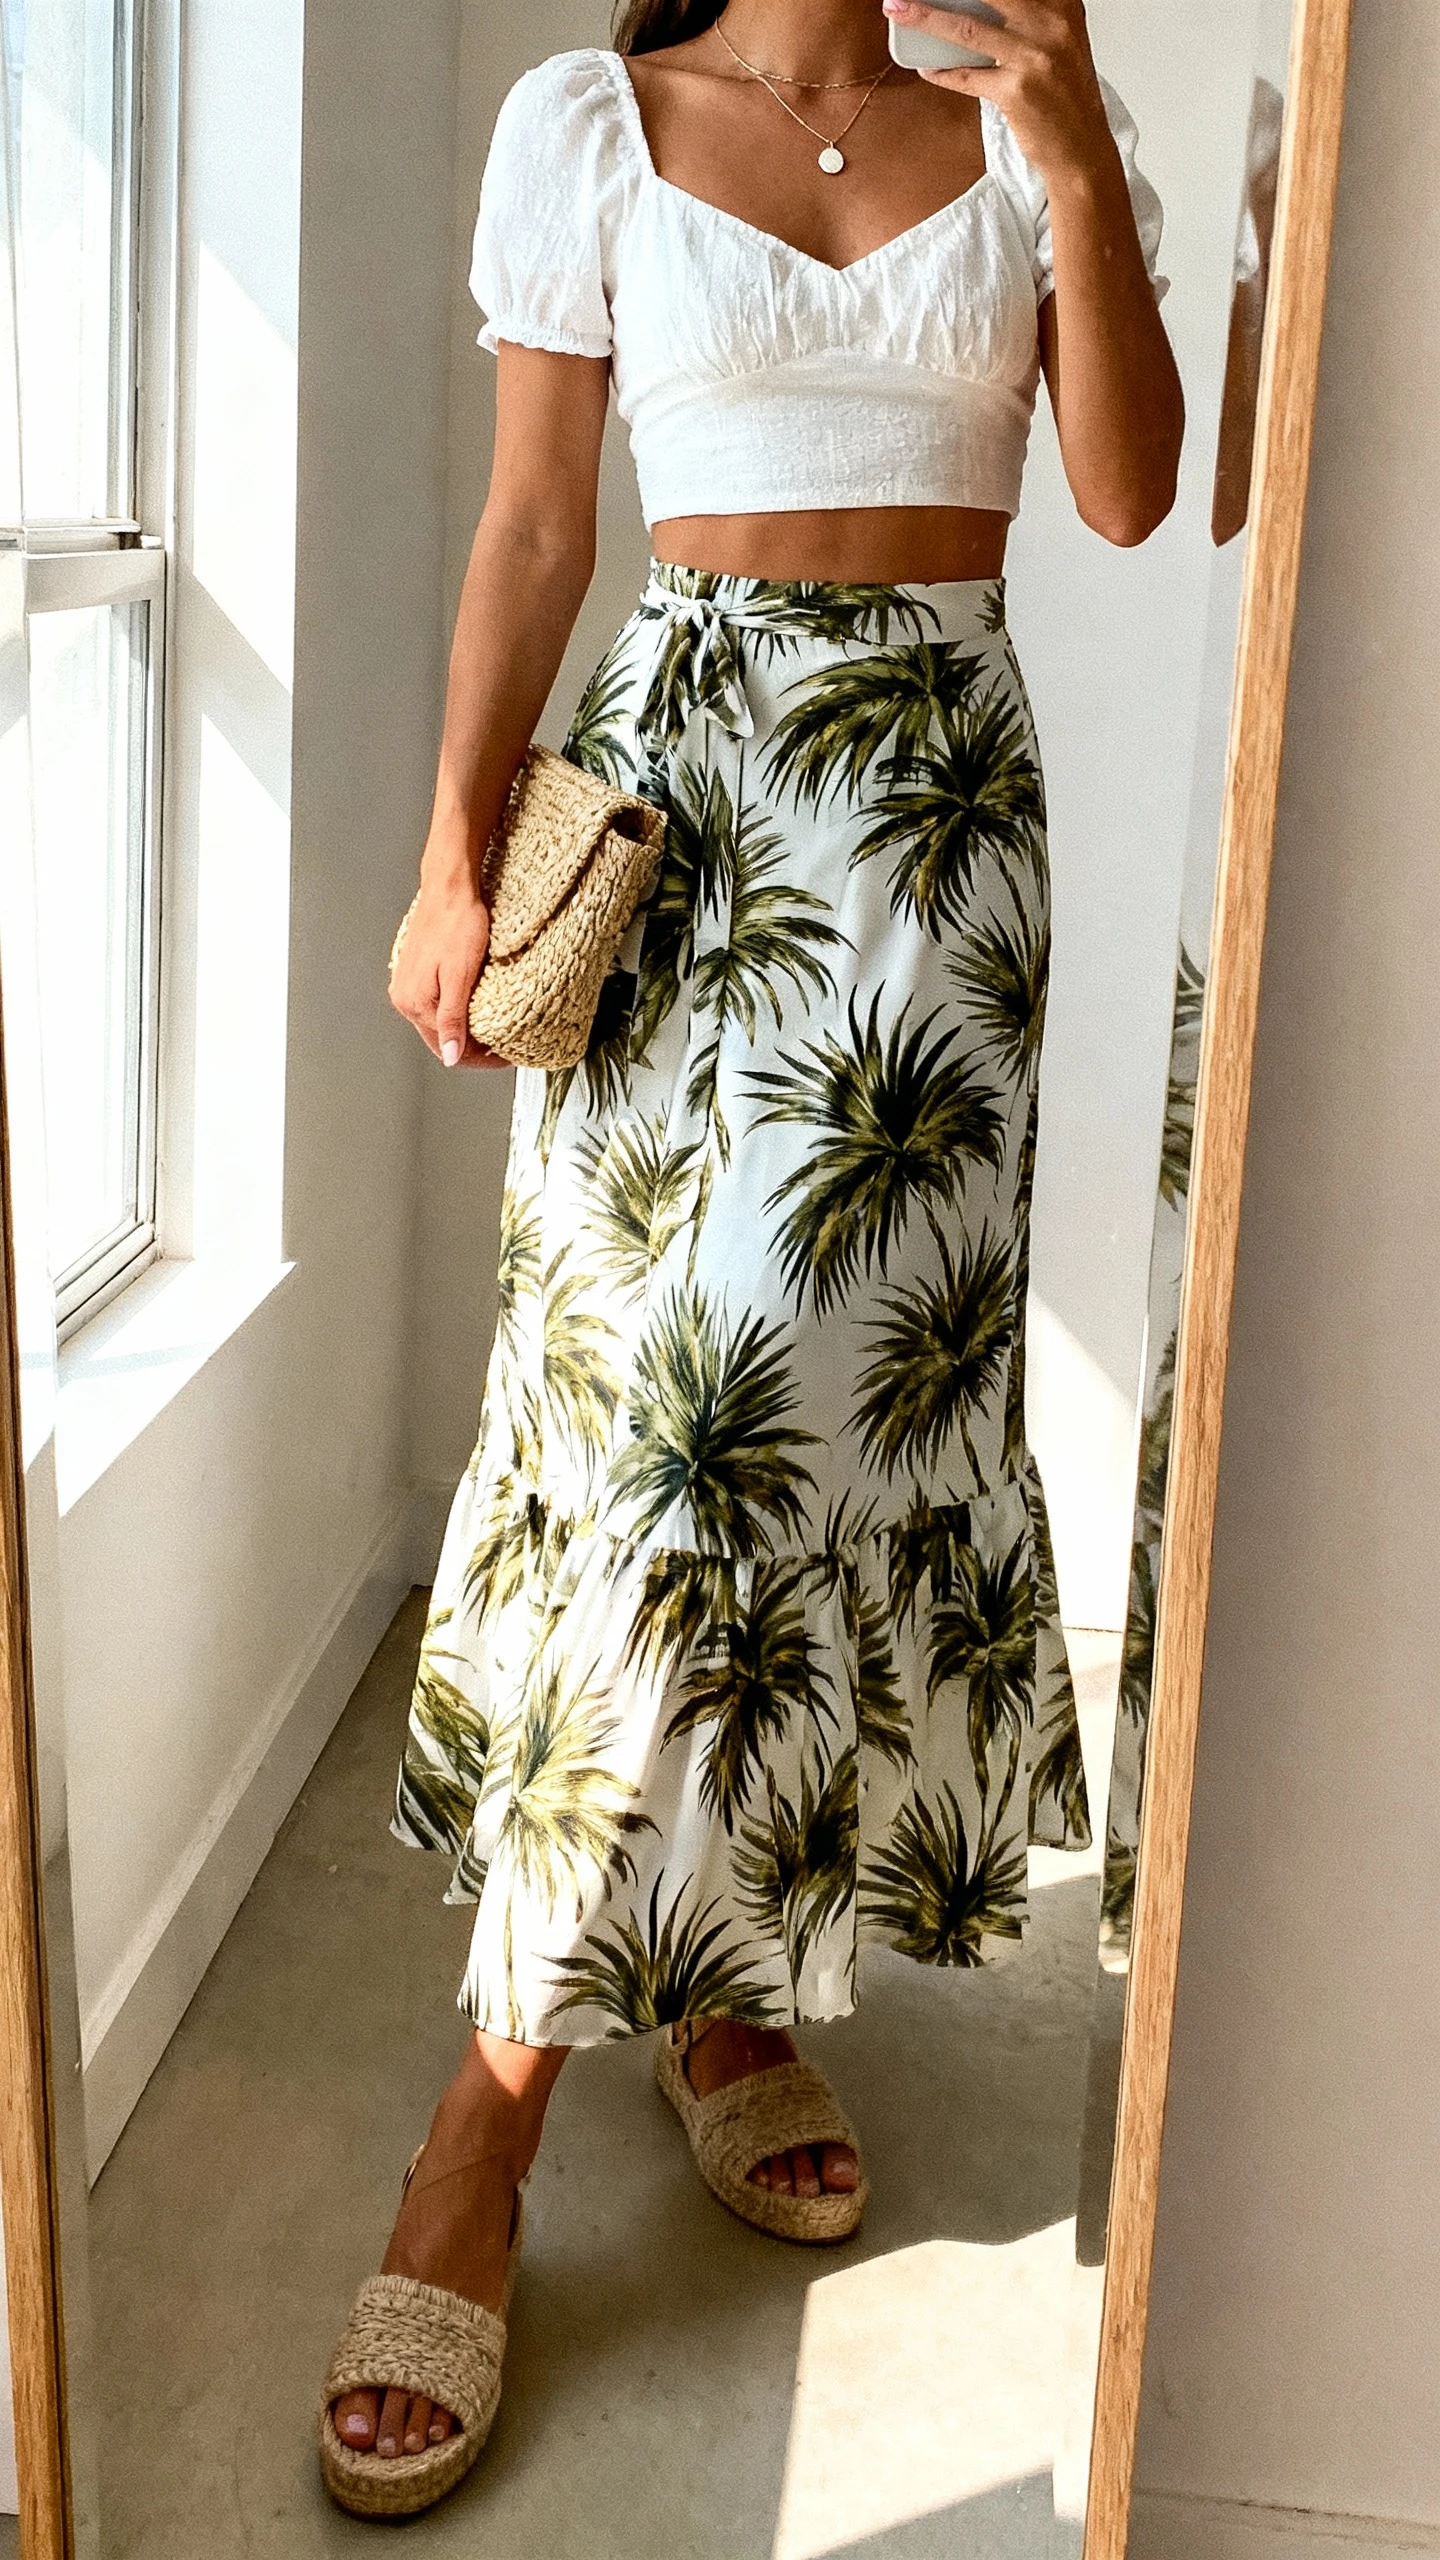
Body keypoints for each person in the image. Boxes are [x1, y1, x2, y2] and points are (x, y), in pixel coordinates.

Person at [319, 0, 1183, 2516]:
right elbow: (533, 528)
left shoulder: (1022, 122)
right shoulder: (588, 124)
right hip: (679, 829)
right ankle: (476, 2142)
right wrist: (455, 845)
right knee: (658, 1428)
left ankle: (717, 1998)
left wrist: (1083, 150)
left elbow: (1124, 497)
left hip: (935, 842)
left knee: (836, 1432)